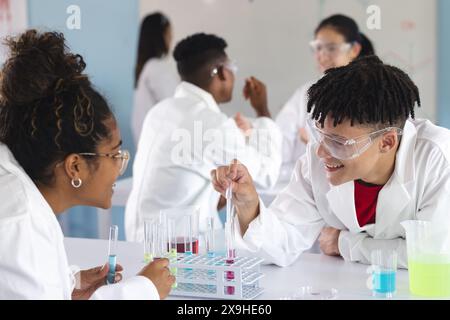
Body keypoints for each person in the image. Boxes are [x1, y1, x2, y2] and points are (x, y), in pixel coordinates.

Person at [211, 56, 450, 269]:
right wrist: (249, 205)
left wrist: (344, 243)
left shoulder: (436, 157)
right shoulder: (318, 162)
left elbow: (433, 255)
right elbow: (281, 245)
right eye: (320, 134)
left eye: (338, 141)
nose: (322, 152)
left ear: (386, 142)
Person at [0, 30, 175, 299]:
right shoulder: (20, 221)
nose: (120, 165)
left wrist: (66, 284)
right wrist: (144, 291)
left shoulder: (19, 194)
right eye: (114, 154)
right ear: (75, 167)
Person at [125, 33, 281, 242]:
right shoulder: (211, 123)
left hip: (139, 240)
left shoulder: (160, 111)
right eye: (231, 69)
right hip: (178, 250)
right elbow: (266, 176)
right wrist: (262, 110)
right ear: (221, 73)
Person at [276, 14, 375, 179]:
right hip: (312, 190)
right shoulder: (307, 94)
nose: (322, 55)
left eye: (331, 48)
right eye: (318, 47)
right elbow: (278, 150)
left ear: (354, 49)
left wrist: (315, 145)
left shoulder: (377, 95)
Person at [132, 12, 179, 146]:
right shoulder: (156, 68)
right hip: (158, 149)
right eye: (169, 33)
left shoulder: (147, 68)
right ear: (160, 36)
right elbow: (177, 107)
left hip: (150, 148)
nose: (171, 37)